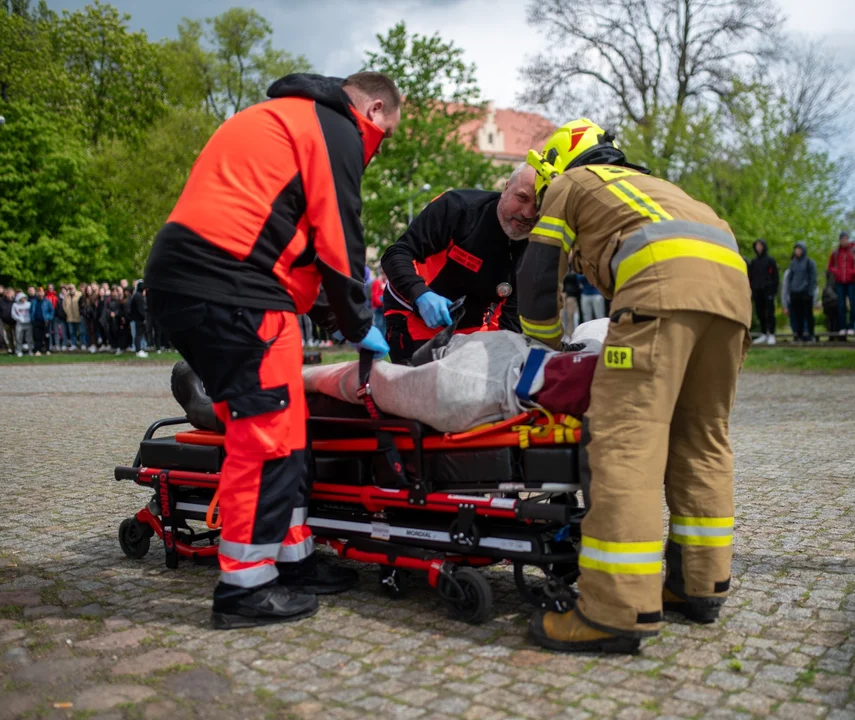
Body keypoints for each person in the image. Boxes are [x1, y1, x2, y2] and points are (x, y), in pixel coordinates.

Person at [143, 71, 400, 629]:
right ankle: (247, 587)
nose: (378, 145)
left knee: (286, 428)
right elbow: (340, 237)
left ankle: (294, 559)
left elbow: (296, 242)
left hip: (207, 281)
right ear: (375, 110)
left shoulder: (284, 122)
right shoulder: (335, 128)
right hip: (237, 290)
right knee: (268, 440)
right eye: (387, 132)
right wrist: (359, 324)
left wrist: (339, 316)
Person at [519, 119, 751, 653]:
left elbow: (538, 274)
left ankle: (614, 609)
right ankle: (700, 584)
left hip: (661, 293)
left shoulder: (572, 185)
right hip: (731, 303)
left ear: (557, 164)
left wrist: (547, 346)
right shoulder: (662, 190)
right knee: (702, 439)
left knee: (627, 443)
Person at [380, 164, 537, 363]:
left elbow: (511, 317)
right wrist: (421, 294)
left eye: (537, 205)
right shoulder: (458, 208)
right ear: (506, 188)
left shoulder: (534, 244)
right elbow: (396, 254)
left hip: (473, 324)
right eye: (522, 198)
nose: (528, 213)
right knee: (424, 386)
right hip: (413, 312)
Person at [828, 231, 855, 336]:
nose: (844, 241)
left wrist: (853, 271)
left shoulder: (854, 250)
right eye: (842, 239)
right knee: (841, 305)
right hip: (840, 282)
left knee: (852, 304)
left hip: (851, 282)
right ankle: (842, 327)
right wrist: (836, 272)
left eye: (845, 238)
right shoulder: (836, 253)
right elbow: (830, 266)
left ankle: (852, 326)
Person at [747, 239, 778, 345]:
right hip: (757, 291)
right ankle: (763, 333)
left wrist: (773, 291)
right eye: (757, 245)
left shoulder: (770, 261)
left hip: (768, 292)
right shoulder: (754, 262)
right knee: (760, 313)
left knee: (770, 313)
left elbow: (775, 277)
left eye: (760, 245)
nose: (758, 247)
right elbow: (750, 277)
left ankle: (772, 334)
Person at [784, 242, 817, 342]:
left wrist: (810, 292)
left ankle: (811, 335)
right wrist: (790, 291)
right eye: (796, 249)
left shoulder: (809, 262)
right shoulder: (793, 263)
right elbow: (790, 278)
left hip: (806, 293)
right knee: (797, 316)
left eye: (799, 249)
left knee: (808, 315)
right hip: (795, 293)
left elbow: (813, 278)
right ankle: (798, 335)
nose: (797, 251)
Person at [11, 292, 32, 356]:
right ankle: (19, 351)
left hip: (28, 323)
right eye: (22, 298)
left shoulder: (29, 304)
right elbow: (13, 314)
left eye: (24, 298)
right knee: (18, 338)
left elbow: (32, 312)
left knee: (29, 338)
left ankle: (30, 350)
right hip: (19, 324)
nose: (23, 299)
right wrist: (19, 318)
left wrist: (30, 319)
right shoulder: (15, 305)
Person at [62, 283, 82, 350]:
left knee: (81, 331)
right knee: (72, 332)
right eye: (69, 288)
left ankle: (83, 344)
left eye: (72, 288)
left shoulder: (79, 294)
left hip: (78, 316)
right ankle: (74, 344)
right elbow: (64, 306)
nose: (71, 289)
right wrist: (67, 312)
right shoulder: (66, 296)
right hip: (70, 317)